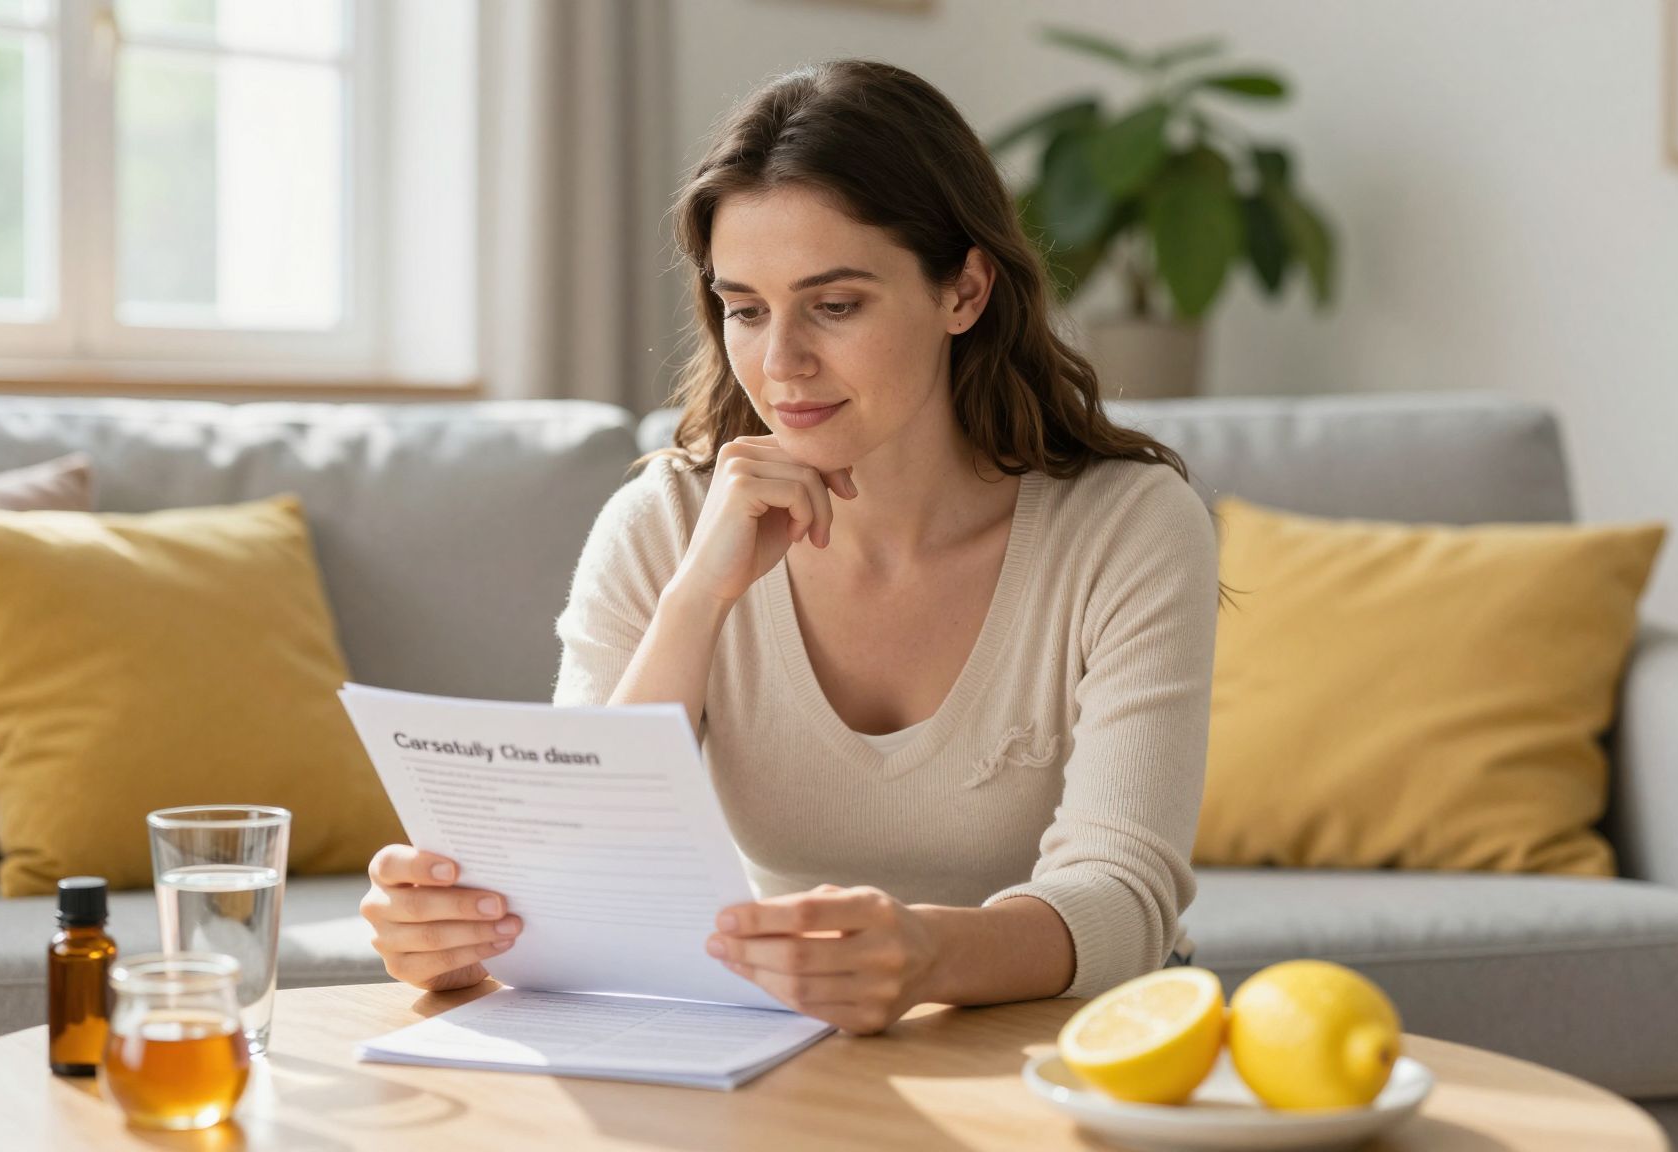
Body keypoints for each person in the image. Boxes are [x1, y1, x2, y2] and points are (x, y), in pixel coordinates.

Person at [359, 58, 1220, 1037]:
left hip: (1068, 1047)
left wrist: (929, 953)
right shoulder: (661, 524)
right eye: (745, 308)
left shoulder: (1127, 527)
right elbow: (582, 877)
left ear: (965, 290)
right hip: (775, 1043)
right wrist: (696, 599)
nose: (781, 363)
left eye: (835, 304)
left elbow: (1125, 896)